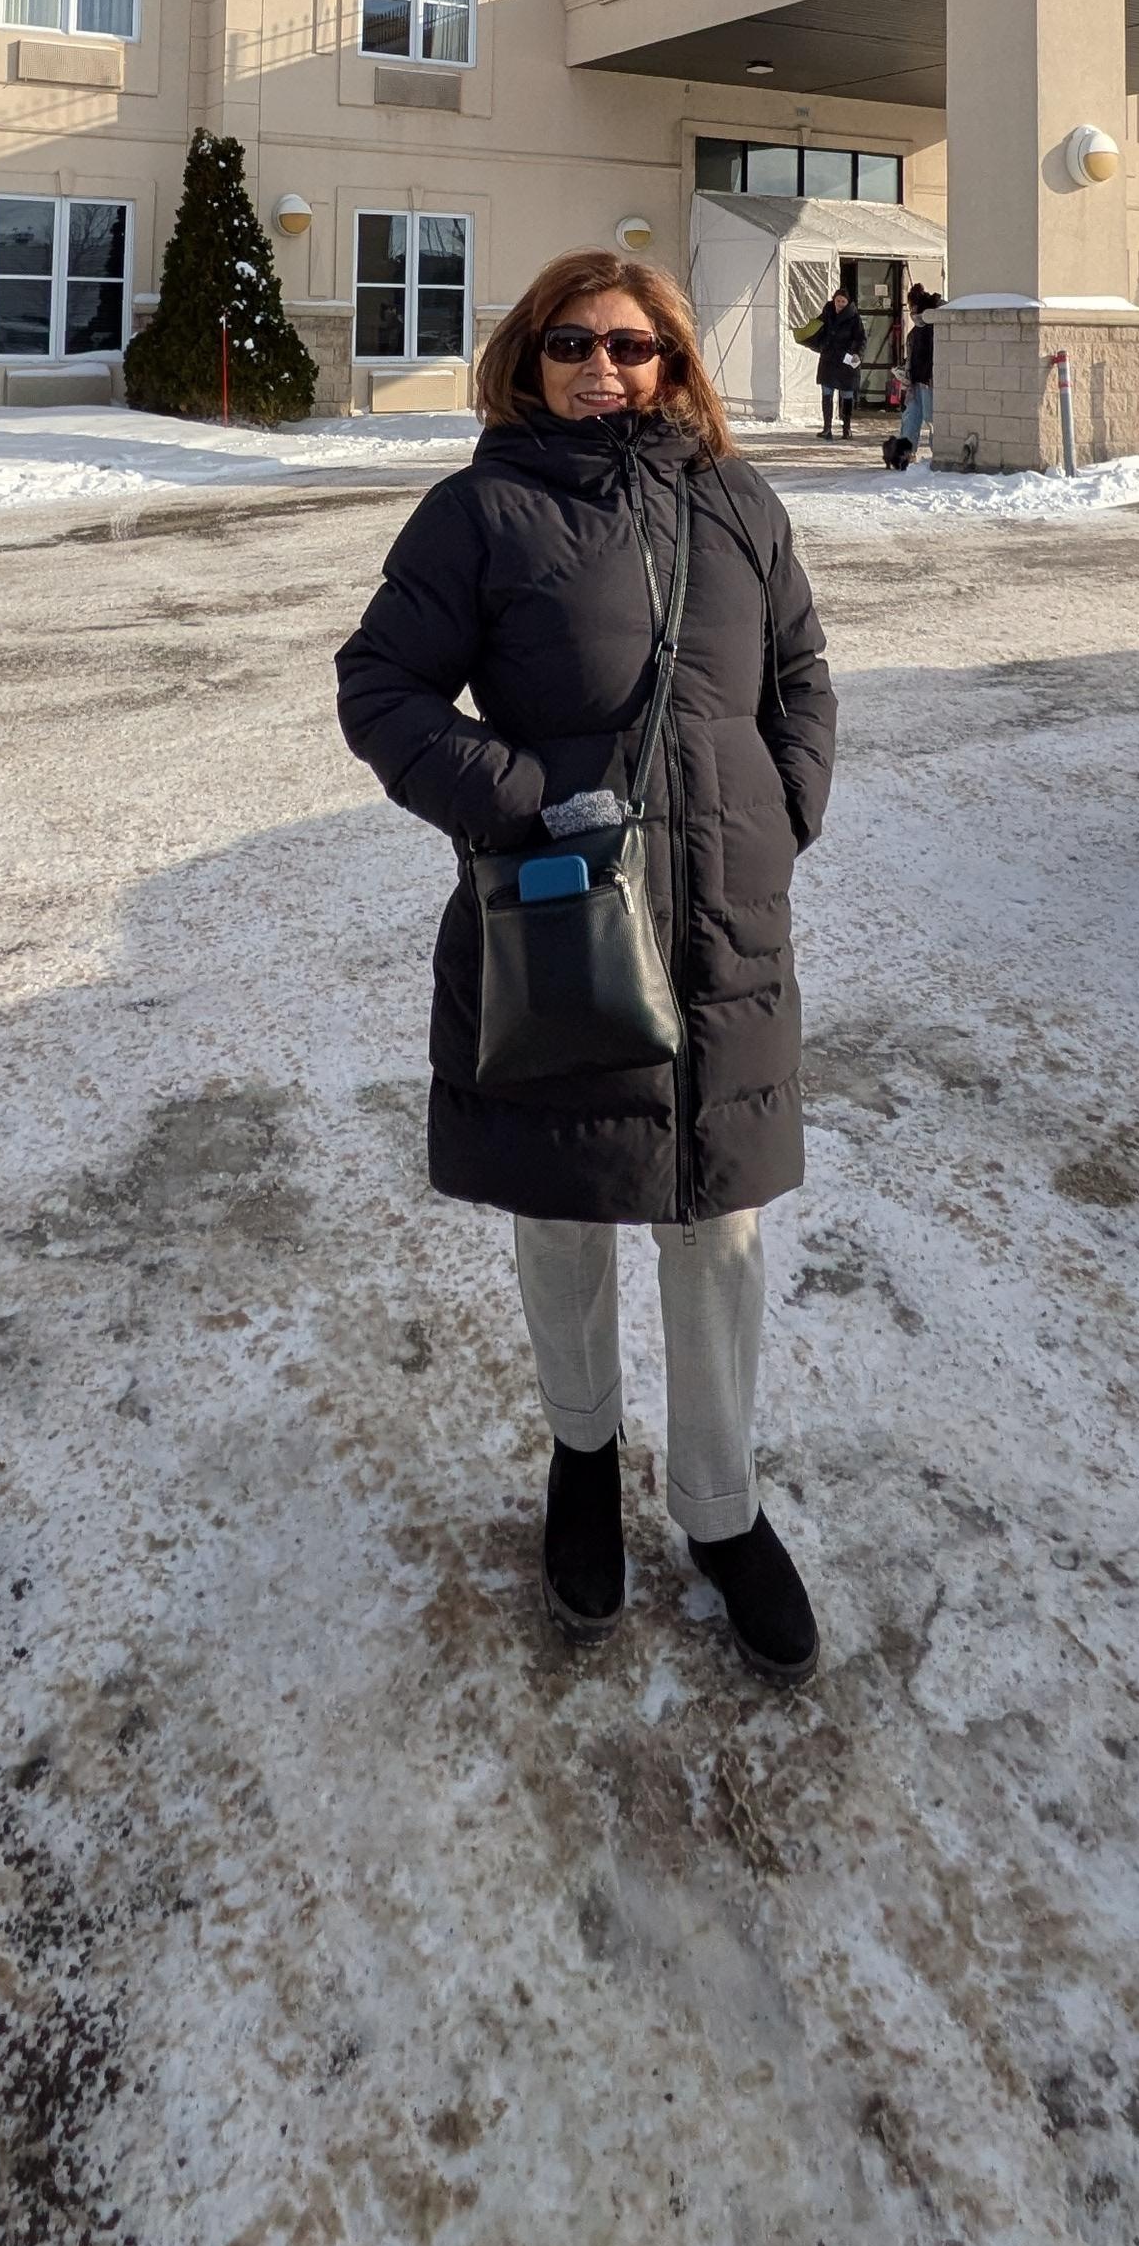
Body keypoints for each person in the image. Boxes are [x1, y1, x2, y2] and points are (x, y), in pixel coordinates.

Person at [335, 250, 837, 1683]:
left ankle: (722, 1508)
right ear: (527, 357)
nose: (602, 368)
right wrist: (518, 799)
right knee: (565, 1209)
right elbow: (381, 686)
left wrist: (786, 808)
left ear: (674, 361)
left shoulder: (739, 502)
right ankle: (582, 1457)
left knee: (716, 1222)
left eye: (632, 345)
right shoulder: (481, 512)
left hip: (727, 922)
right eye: (571, 343)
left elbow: (802, 673)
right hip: (565, 915)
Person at [812, 284, 867, 439]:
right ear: (834, 301)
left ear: (847, 302)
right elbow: (816, 330)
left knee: (847, 394)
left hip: (846, 360)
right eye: (838, 301)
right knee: (827, 393)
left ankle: (846, 428)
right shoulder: (826, 314)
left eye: (843, 301)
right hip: (829, 359)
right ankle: (827, 428)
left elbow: (861, 338)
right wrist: (818, 343)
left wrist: (858, 354)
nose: (840, 304)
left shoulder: (854, 318)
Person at [900, 284, 938, 454]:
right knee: (913, 417)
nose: (911, 312)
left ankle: (937, 454)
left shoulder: (927, 329)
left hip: (926, 380)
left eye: (911, 308)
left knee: (929, 418)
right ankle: (906, 453)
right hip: (917, 379)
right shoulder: (920, 330)